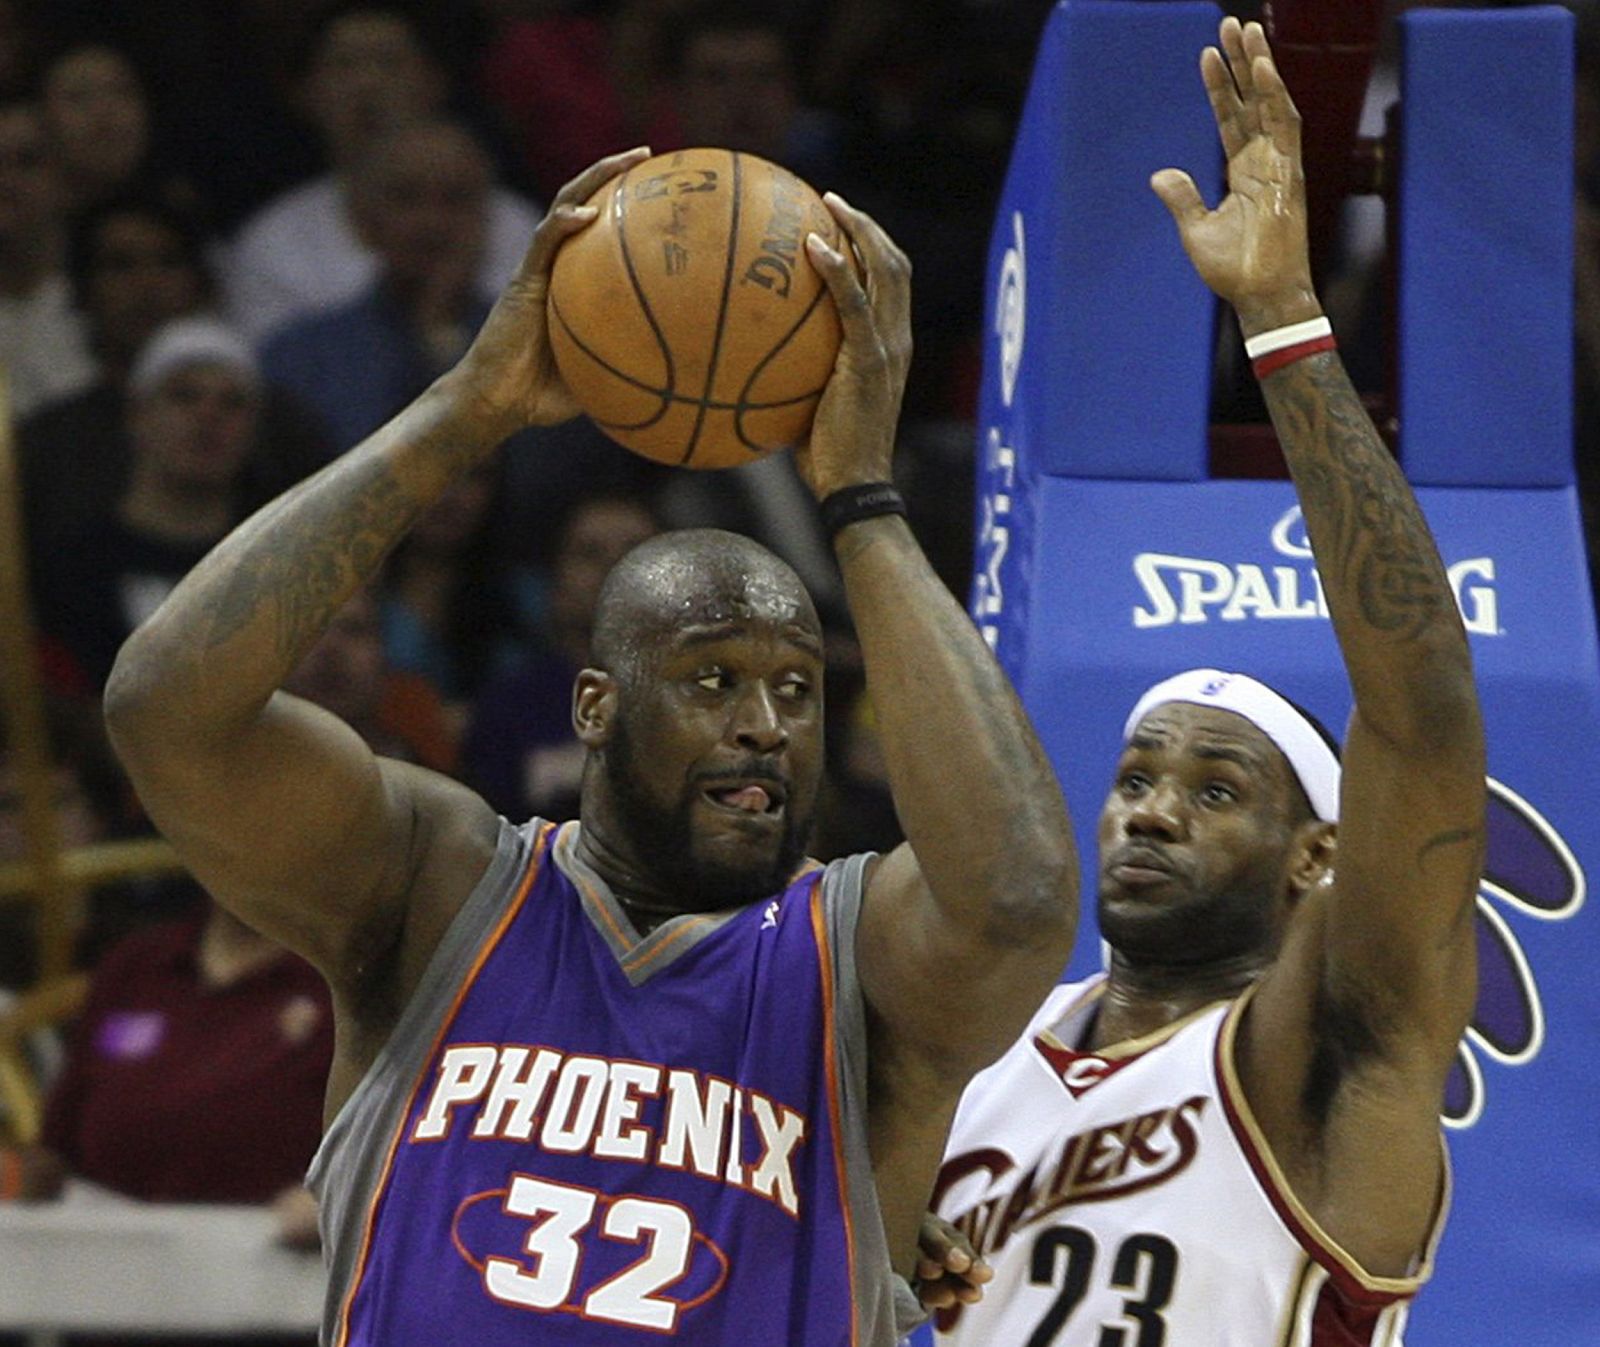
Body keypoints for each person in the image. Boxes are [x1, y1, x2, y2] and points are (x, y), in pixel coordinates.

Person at [102, 147, 1079, 1345]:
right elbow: (166, 709)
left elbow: (1022, 894)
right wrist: (467, 410)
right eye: (712, 679)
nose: (763, 724)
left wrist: (860, 502)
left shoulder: (859, 963)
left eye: (794, 688)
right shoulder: (441, 887)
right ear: (595, 709)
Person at [927, 20, 1485, 1345]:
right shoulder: (978, 1076)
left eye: (1215, 785)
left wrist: (1286, 324)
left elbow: (1426, 717)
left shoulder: (1337, 1045)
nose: (1152, 810)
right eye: (1135, 777)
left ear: (1314, 856)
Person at [223, 3, 541, 343]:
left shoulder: (519, 230)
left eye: (389, 62)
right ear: (306, 90)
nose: (368, 84)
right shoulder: (272, 244)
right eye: (345, 64)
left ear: (434, 81)